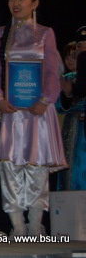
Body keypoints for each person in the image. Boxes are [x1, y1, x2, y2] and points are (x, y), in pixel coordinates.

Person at [0, 0, 66, 236]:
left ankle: (35, 224)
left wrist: (46, 99)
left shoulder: (45, 33)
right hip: (9, 112)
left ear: (34, 3)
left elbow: (53, 71)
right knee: (9, 167)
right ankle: (17, 226)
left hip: (38, 112)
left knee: (36, 167)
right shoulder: (1, 34)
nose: (16, 3)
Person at [57, 29, 86, 191]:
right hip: (72, 132)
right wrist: (67, 96)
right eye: (79, 45)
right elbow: (58, 106)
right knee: (71, 172)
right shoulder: (68, 78)